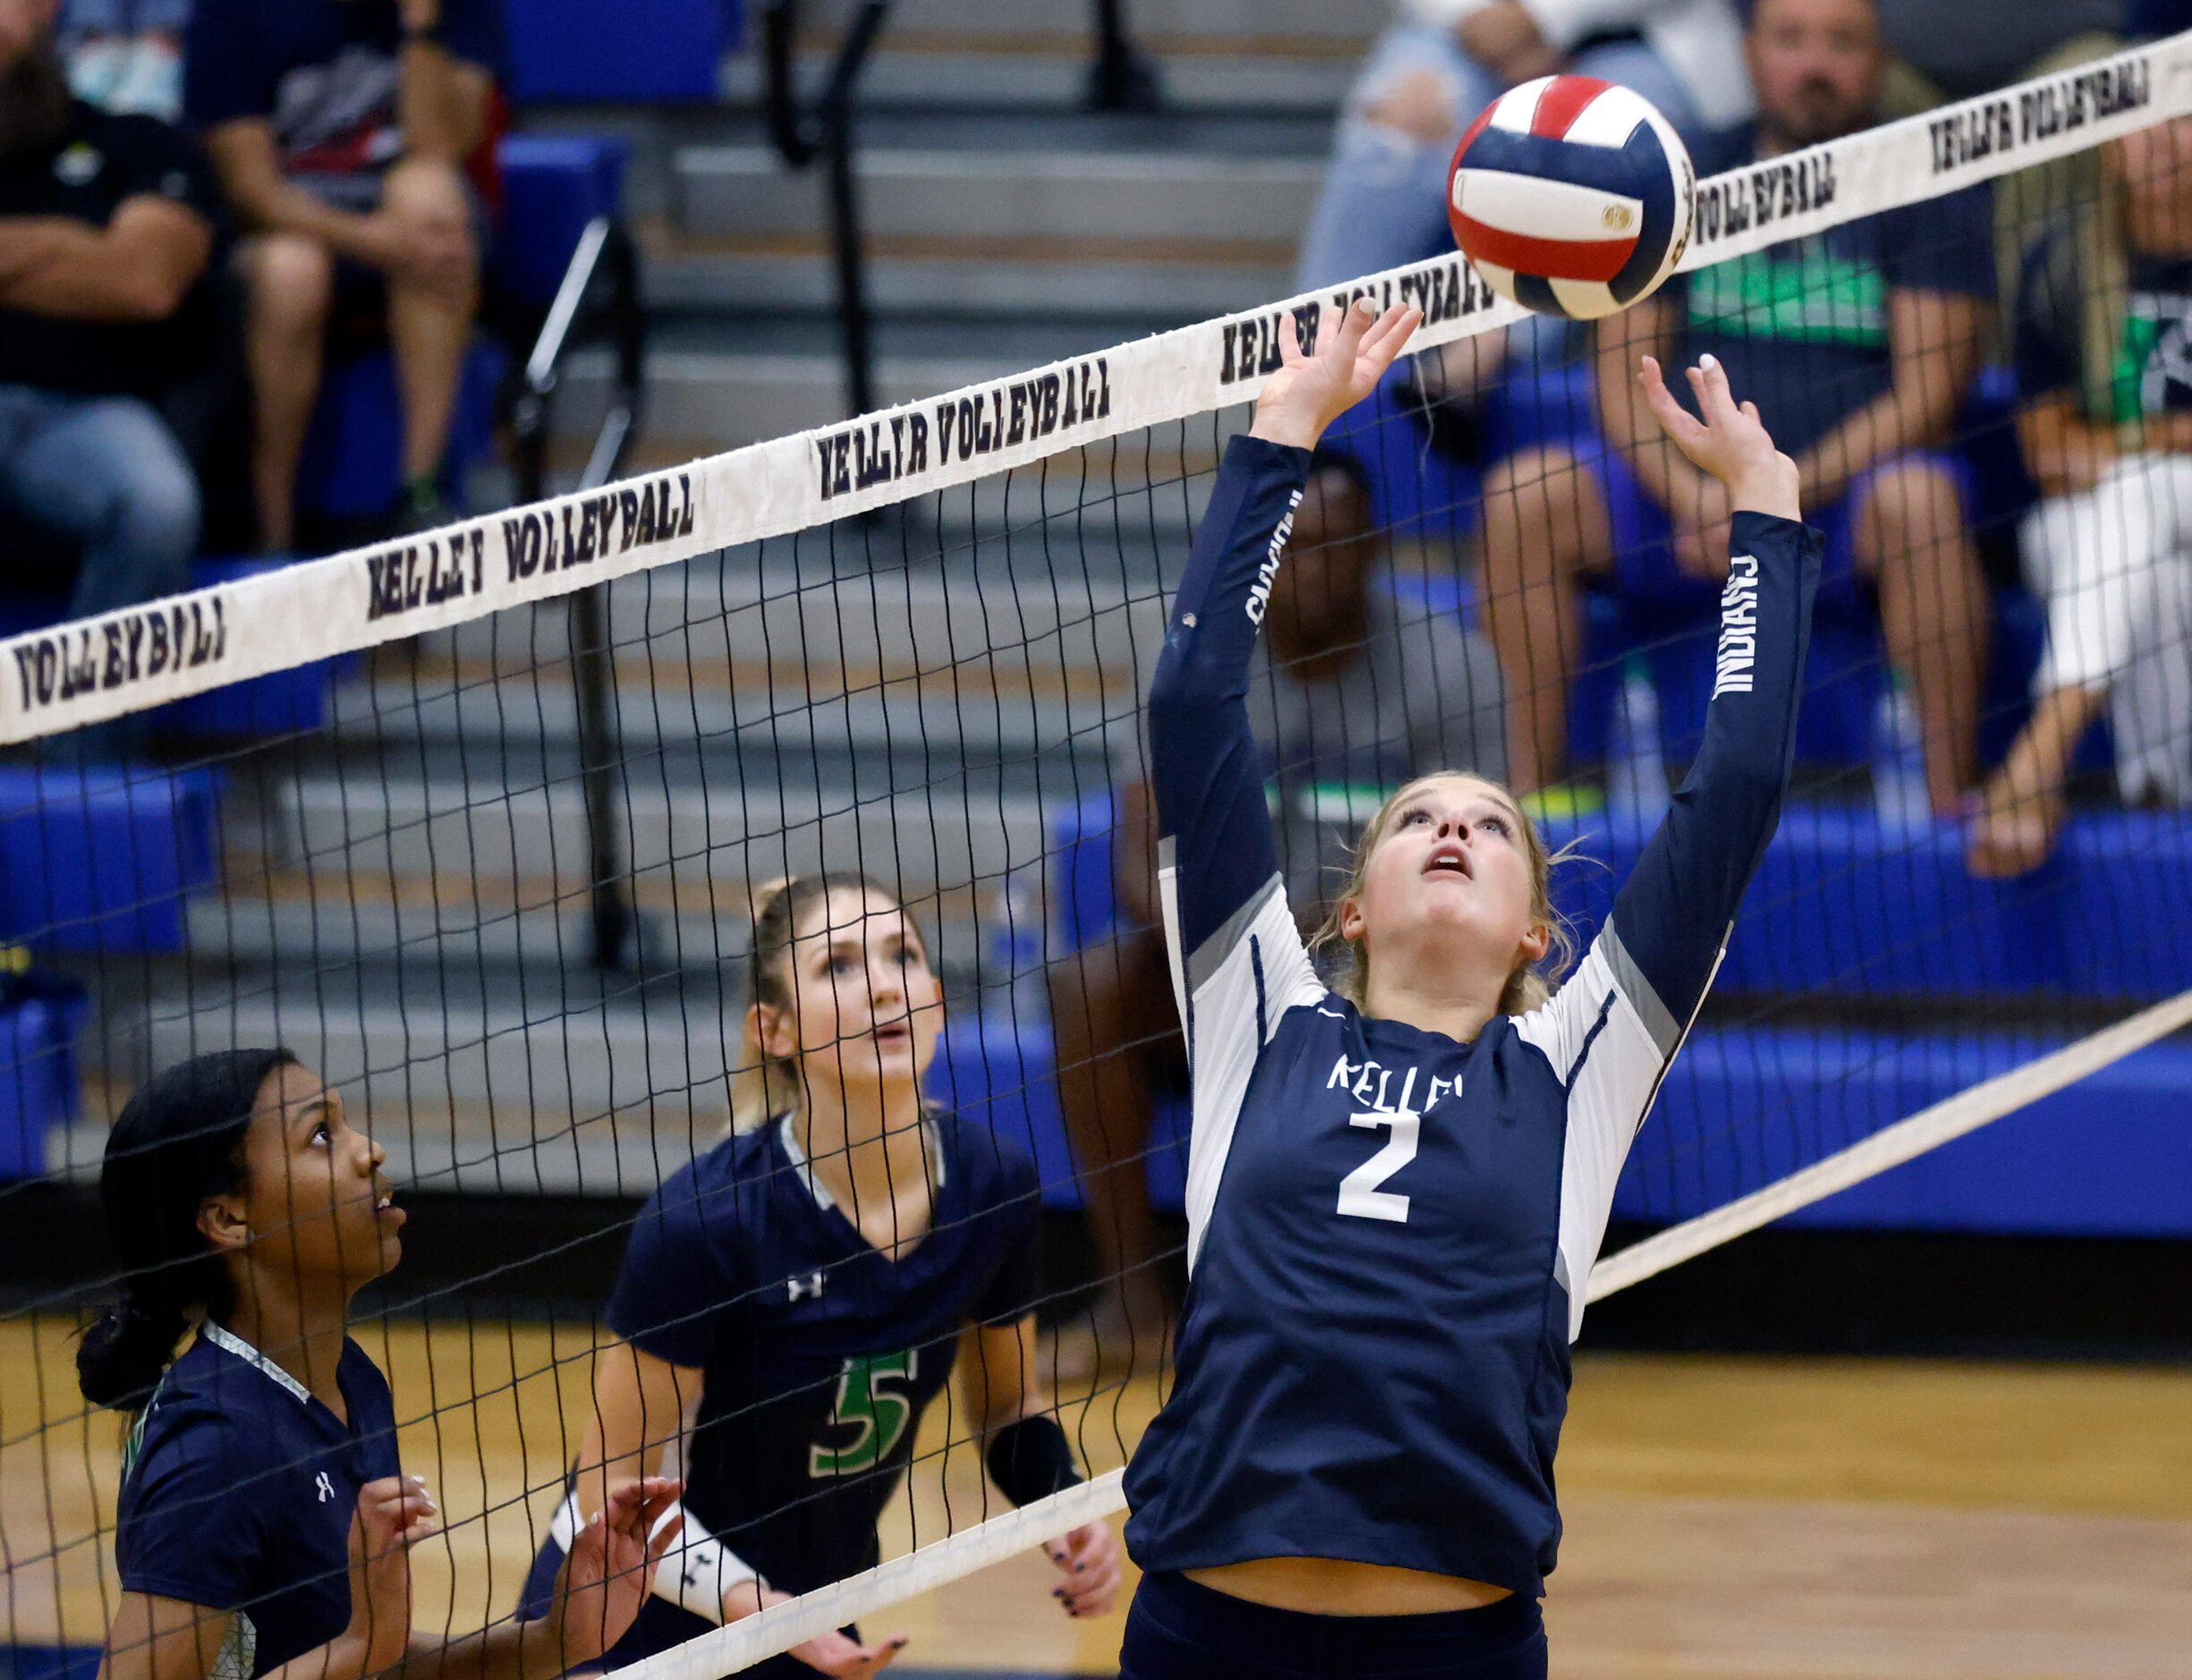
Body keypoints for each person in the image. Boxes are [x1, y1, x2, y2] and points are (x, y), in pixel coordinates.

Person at [1116, 299, 1817, 1677]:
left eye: (1490, 825)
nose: (1451, 828)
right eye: (1416, 819)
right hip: (1205, 1634)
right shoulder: (1255, 1011)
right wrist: (1280, 437)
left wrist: (1768, 510)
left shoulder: (1576, 1063)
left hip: (1451, 1650)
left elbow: (1731, 790)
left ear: (1532, 938)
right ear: (1351, 904)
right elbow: (1195, 706)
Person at [523, 873, 1122, 1680]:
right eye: (836, 966)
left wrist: (1061, 1504)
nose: (882, 985)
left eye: (901, 957)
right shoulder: (707, 1223)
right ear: (774, 1029)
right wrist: (763, 1613)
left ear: (938, 1002)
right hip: (635, 1621)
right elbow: (607, 1491)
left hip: (811, 1618)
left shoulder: (994, 1187)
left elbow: (1010, 1406)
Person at [1048, 452, 1508, 1380]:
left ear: (1374, 548)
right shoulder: (1198, 663)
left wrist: (1332, 937)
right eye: (1290, 550)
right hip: (1222, 969)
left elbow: (1485, 873)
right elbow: (1140, 858)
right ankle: (1133, 1305)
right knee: (1087, 988)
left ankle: (1380, 1309)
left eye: (1333, 547)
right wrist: (1231, 952)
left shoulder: (1449, 667)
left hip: (1384, 981)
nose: (1309, 569)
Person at [1480, 0, 1991, 810]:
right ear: (1751, 55)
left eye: (1841, 42)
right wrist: (1698, 497)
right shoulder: (1684, 178)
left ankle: (1945, 810)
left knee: (1923, 501)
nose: (1814, 65)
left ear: (1880, 59)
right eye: (1791, 40)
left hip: (1839, 508)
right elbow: (1621, 375)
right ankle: (1523, 799)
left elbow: (1927, 394)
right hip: (1682, 506)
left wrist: (1772, 499)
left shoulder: (1923, 180)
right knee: (1526, 499)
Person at [77, 1048, 683, 1680]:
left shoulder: (350, 1383)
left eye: (345, 1123)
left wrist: (554, 1640)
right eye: (320, 1135)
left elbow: (370, 1665)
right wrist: (361, 1645)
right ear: (229, 1218)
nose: (369, 1150)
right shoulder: (211, 1446)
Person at [182, 0, 499, 549]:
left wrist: (419, 31)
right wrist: (380, 243)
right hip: (283, 227)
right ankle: (273, 534)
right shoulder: (230, 11)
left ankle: (418, 495)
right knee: (292, 270)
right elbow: (252, 193)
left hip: (399, 217)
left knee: (433, 202)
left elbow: (442, 150)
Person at [1969, 114, 2192, 878]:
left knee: (2138, 493)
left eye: (2189, 122)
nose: (2167, 142)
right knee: (2150, 565)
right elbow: (2051, 454)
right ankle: (2160, 798)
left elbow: (2085, 446)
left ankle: (2040, 759)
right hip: (2085, 523)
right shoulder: (2066, 262)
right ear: (2111, 141)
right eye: (2147, 124)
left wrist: (2126, 444)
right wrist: (2166, 440)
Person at [0, 0, 210, 625]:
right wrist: (75, 243)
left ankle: (82, 729)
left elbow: (145, 283)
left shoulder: (140, 142)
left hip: (87, 410)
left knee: (158, 506)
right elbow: (114, 269)